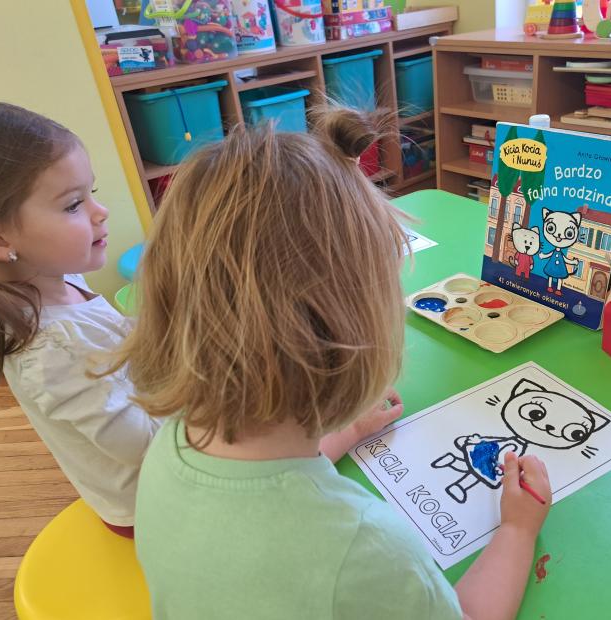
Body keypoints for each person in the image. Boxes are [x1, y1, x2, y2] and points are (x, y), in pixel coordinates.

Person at [112, 108, 553, 619]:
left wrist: (343, 435)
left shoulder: (169, 447)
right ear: (351, 336)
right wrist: (518, 530)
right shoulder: (363, 547)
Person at [0, 101, 161, 537]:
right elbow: (147, 449)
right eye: (72, 205)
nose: (100, 211)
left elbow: (115, 353)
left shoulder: (58, 278)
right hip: (149, 506)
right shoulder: (53, 349)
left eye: (92, 192)